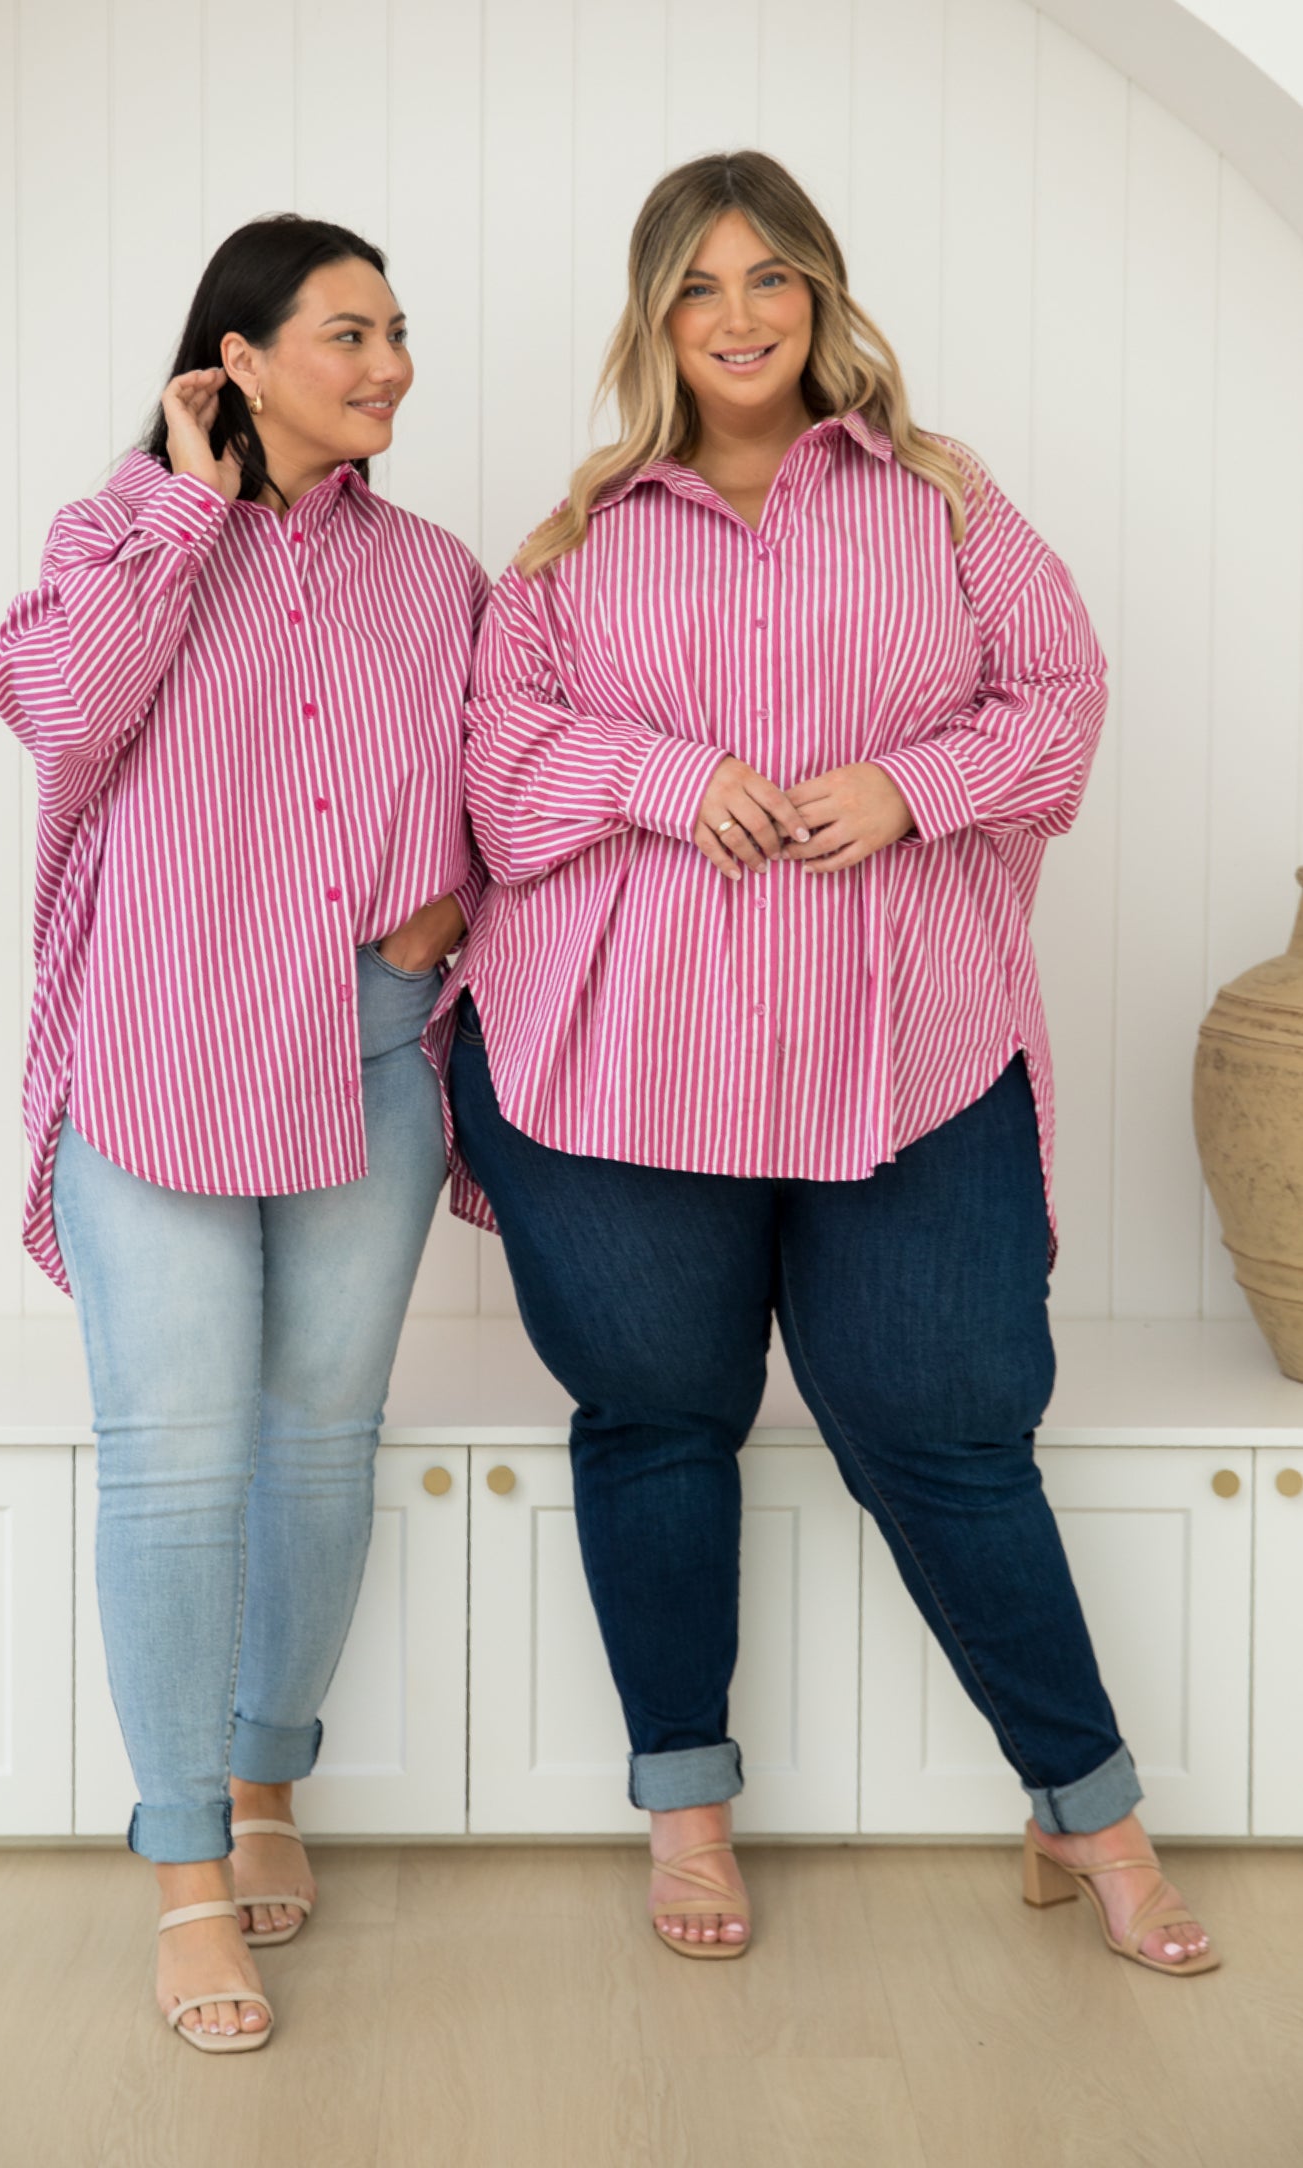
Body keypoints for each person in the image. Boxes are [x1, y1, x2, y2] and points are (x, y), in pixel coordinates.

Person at [439, 150, 1215, 1975]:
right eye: (697, 287)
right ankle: (687, 1810)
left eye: (768, 278)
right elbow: (499, 762)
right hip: (622, 1071)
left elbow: (1059, 700)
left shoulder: (946, 502)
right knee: (655, 1422)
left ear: (820, 294)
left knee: (946, 1428)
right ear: (653, 317)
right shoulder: (575, 538)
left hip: (904, 1054)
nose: (737, 317)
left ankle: (1085, 1813)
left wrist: (908, 785)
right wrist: (662, 776)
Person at [0, 215, 487, 2051]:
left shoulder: (434, 572)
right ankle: (189, 1867)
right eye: (347, 333)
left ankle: (269, 1770)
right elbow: (52, 711)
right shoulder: (113, 541)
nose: (389, 365)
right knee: (181, 1461)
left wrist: (445, 906)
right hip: (160, 1049)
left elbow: (495, 774)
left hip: (366, 1049)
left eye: (398, 332)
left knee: (318, 1442)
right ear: (238, 358)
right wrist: (187, 511)